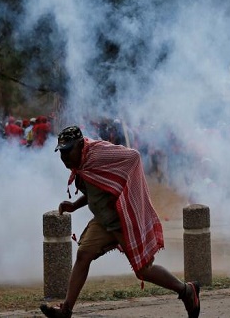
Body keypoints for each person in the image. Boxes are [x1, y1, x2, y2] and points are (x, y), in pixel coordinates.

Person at [40, 126, 200, 318]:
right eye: (61, 152)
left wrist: (125, 195)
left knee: (143, 271)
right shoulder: (81, 164)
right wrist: (74, 205)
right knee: (83, 255)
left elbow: (134, 157)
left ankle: (186, 290)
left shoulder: (98, 154)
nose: (64, 157)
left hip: (123, 220)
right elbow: (97, 188)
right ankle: (66, 310)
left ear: (80, 145)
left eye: (68, 151)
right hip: (103, 221)